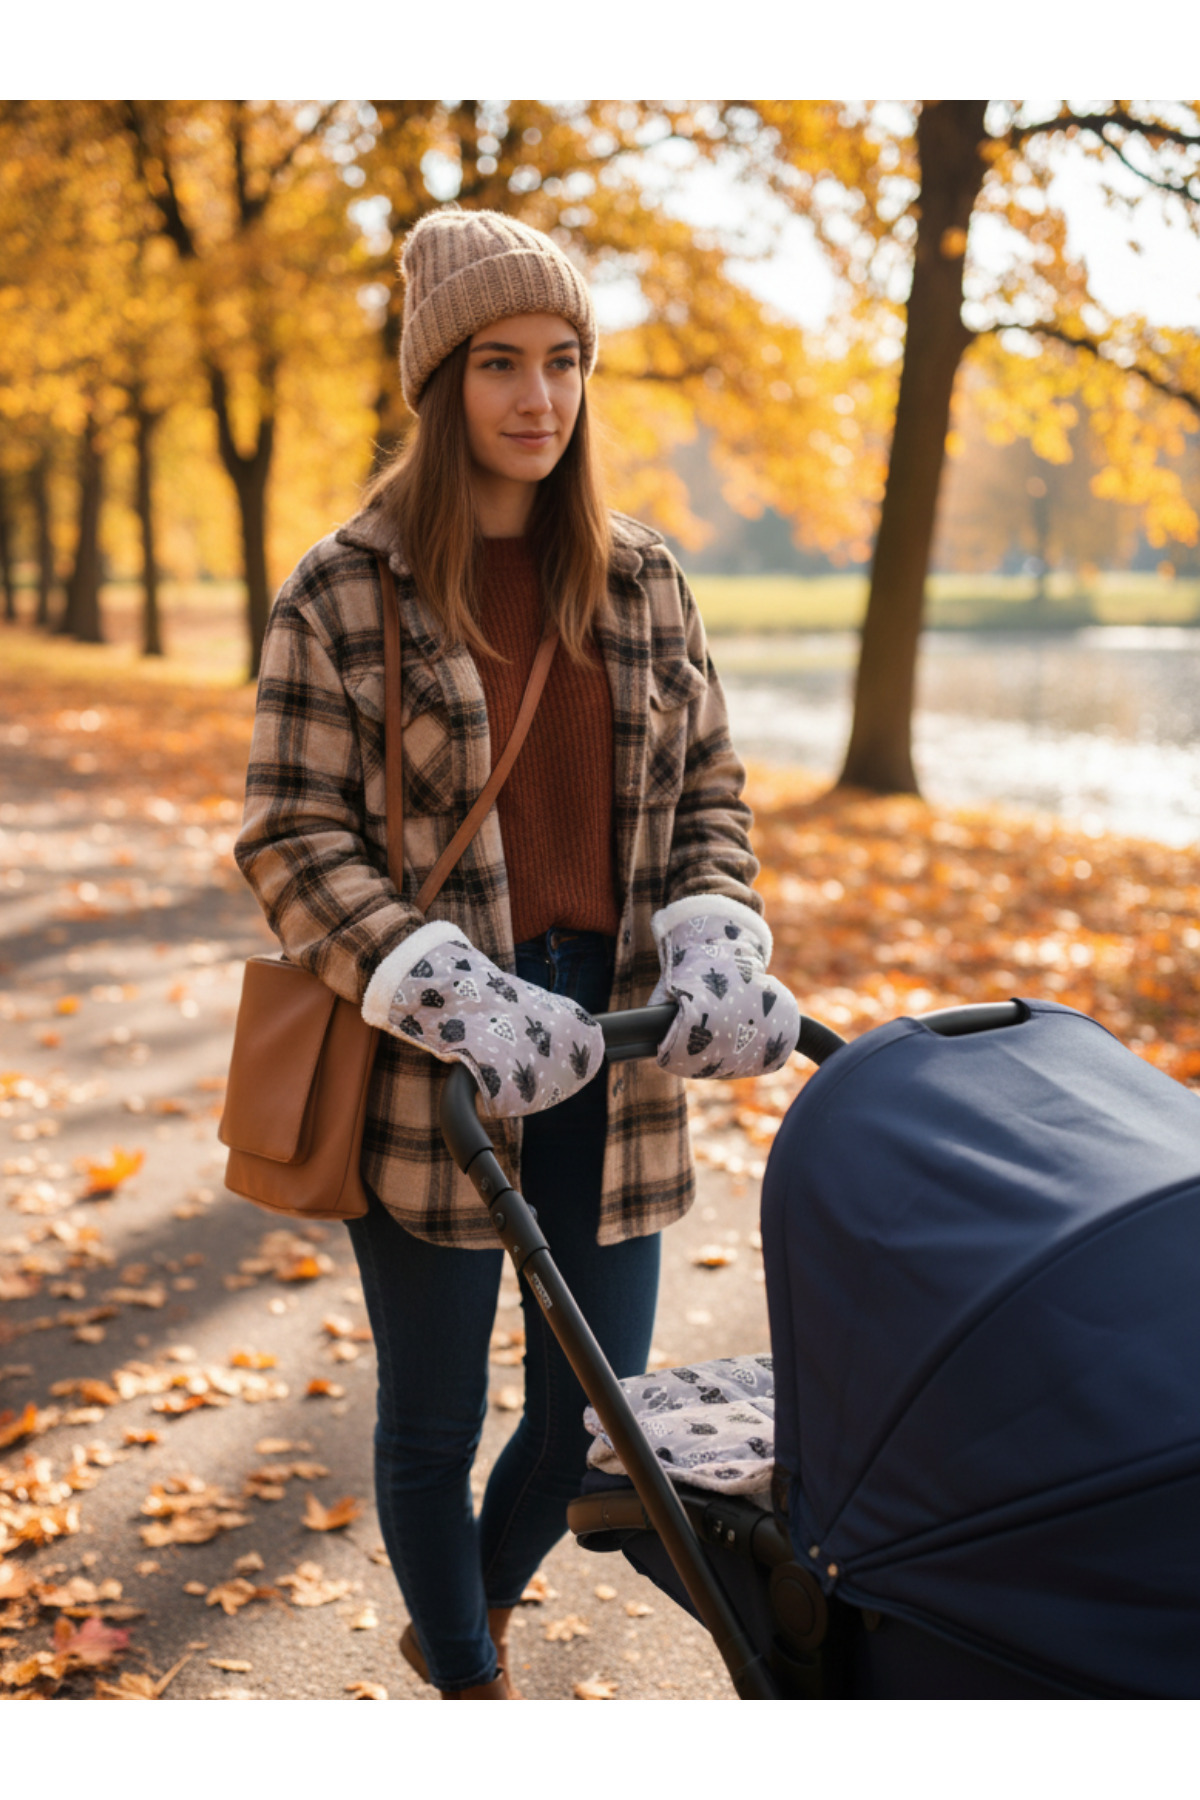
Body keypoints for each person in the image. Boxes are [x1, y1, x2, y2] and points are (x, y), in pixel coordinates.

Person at [234, 207, 801, 1699]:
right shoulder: (343, 590)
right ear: (440, 385)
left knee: (588, 1414)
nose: (537, 399)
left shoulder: (645, 582)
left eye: (561, 362)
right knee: (432, 1421)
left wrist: (714, 929)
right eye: (499, 365)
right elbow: (291, 836)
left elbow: (713, 797)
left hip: (619, 1044)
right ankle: (477, 1693)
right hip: (435, 1049)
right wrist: (437, 976)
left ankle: (456, 1623)